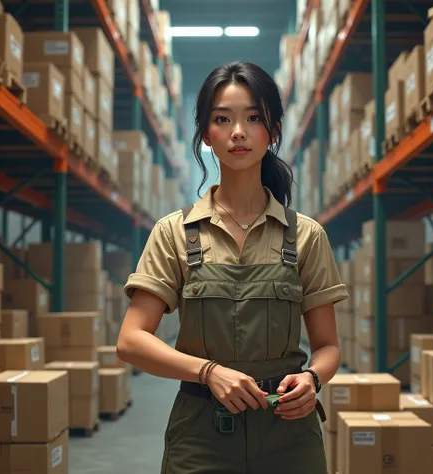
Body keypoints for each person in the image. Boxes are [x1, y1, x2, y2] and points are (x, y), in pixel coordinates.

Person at [117, 61, 348, 474]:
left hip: (288, 433)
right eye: (222, 119)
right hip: (202, 435)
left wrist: (312, 379)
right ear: (206, 134)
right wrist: (208, 372)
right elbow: (131, 340)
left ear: (273, 131)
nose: (238, 132)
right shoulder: (175, 232)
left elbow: (328, 346)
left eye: (253, 118)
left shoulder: (306, 236)